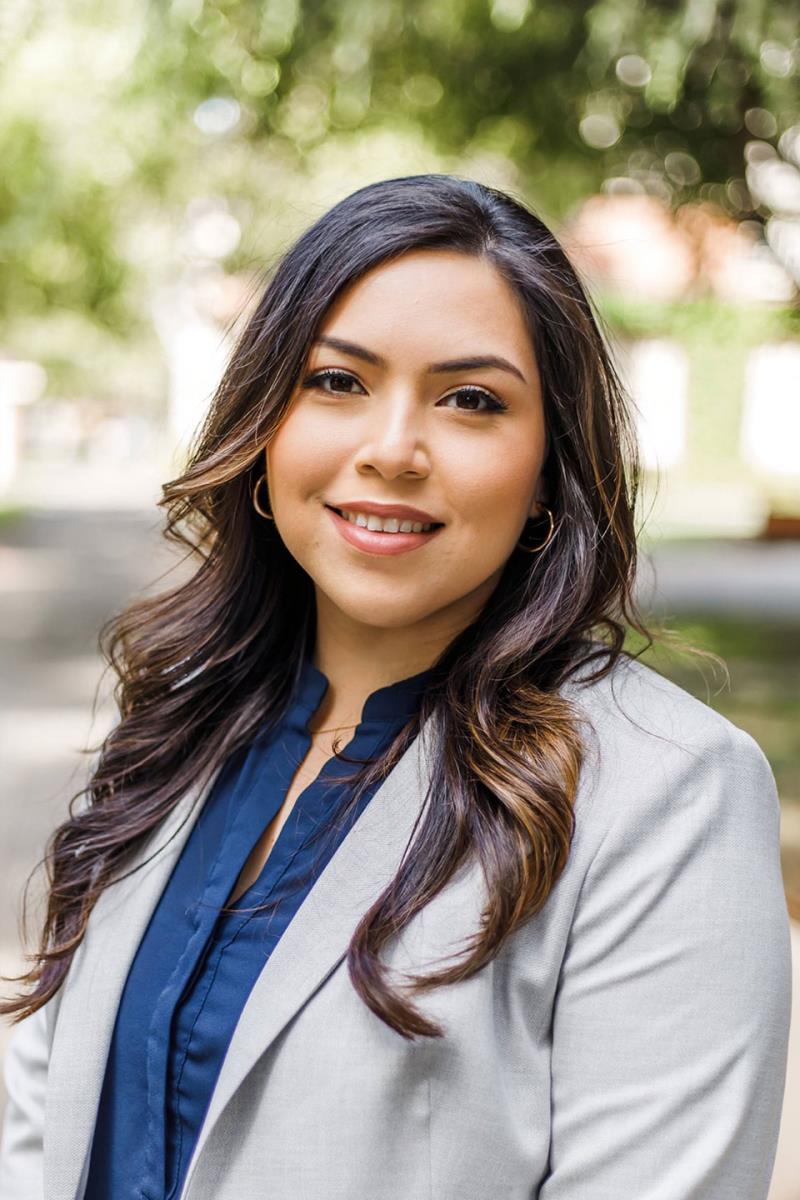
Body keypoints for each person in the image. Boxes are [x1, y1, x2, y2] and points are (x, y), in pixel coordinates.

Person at [0, 174, 791, 1200]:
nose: (390, 450)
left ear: (548, 464)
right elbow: (44, 1112)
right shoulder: (178, 718)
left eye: (470, 400)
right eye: (337, 381)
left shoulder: (666, 795)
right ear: (264, 422)